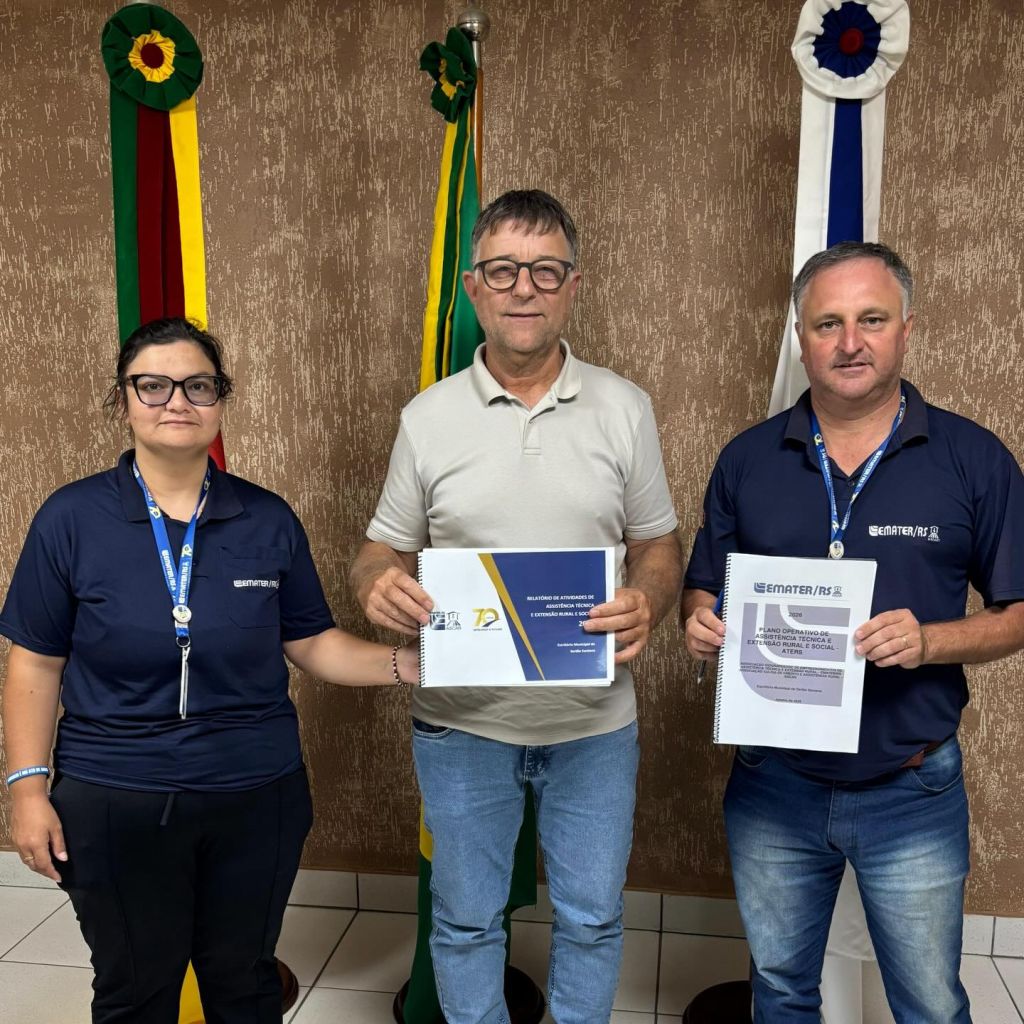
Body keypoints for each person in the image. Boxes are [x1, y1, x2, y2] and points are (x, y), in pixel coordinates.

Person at [0, 317, 418, 1024]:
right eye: (153, 385)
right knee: (137, 988)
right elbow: (35, 664)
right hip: (116, 797)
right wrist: (27, 791)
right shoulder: (70, 519)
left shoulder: (266, 517)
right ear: (123, 400)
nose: (177, 401)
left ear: (221, 399)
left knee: (244, 982)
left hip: (257, 796)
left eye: (198, 385)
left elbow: (313, 643)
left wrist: (414, 663)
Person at [350, 189, 682, 1024]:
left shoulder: (625, 407)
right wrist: (375, 582)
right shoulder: (427, 418)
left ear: (574, 285)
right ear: (474, 288)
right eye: (502, 270)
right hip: (462, 726)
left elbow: (658, 544)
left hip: (593, 726)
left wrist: (648, 598)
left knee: (593, 919)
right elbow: (379, 549)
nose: (523, 288)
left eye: (545, 271)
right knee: (465, 923)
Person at [682, 241, 1024, 1023]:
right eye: (827, 323)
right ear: (800, 338)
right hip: (773, 783)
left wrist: (929, 642)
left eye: (871, 319)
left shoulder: (973, 460)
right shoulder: (747, 459)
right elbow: (705, 583)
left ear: (907, 327)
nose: (849, 342)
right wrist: (699, 618)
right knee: (778, 989)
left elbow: (1017, 614)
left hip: (911, 786)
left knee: (930, 1003)